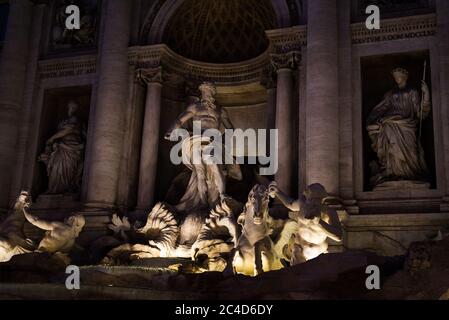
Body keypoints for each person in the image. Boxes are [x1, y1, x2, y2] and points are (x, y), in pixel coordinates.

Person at [366, 67, 431, 187]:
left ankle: (411, 174)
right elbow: (380, 108)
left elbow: (420, 113)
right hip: (390, 124)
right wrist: (371, 120)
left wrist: (426, 94)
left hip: (408, 126)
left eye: (399, 76)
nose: (397, 78)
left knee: (412, 151)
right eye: (395, 77)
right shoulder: (390, 94)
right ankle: (392, 173)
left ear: (405, 77)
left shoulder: (413, 92)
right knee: (391, 148)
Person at [269, 182, 343, 264]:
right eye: (309, 199)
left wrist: (319, 222)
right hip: (299, 248)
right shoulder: (302, 204)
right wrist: (277, 192)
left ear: (321, 199)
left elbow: (338, 236)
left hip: (317, 251)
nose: (310, 202)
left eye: (314, 200)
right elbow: (290, 204)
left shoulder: (329, 212)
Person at [39, 101, 86, 194]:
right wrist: (55, 142)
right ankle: (53, 189)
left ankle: (66, 188)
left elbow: (68, 129)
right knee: (56, 166)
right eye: (70, 107)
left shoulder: (75, 119)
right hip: (61, 146)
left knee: (68, 168)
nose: (71, 109)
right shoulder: (63, 121)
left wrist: (52, 138)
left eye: (73, 107)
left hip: (72, 147)